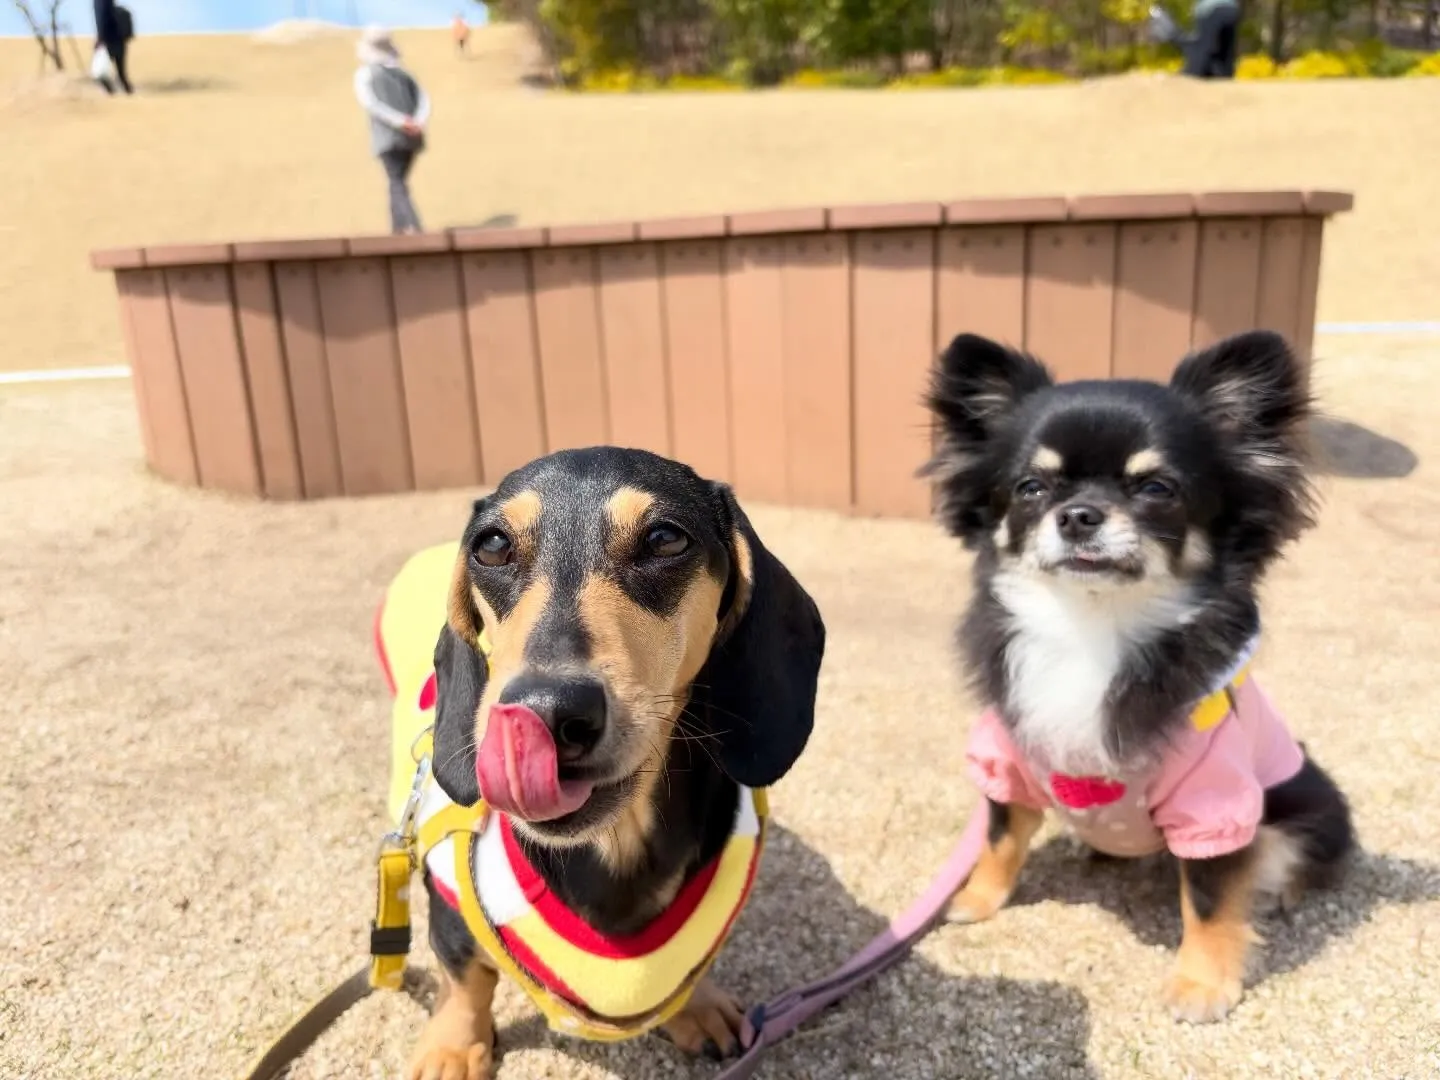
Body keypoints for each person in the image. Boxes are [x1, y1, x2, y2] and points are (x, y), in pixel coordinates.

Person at [353, 26, 431, 235]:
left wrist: (400, 122)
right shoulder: (405, 74)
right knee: (397, 180)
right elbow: (424, 99)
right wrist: (417, 122)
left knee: (396, 181)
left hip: (387, 137)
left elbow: (371, 104)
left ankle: (413, 226)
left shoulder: (365, 74)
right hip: (412, 137)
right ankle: (397, 229)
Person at [1149, 0, 1241, 79]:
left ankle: (1170, 31)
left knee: (1202, 54)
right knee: (1222, 62)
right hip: (1231, 9)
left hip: (1210, 10)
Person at [93, 0, 134, 94]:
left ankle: (113, 91)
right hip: (117, 38)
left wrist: (100, 38)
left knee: (100, 71)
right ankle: (126, 91)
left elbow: (102, 18)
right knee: (120, 71)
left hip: (109, 39)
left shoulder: (100, 2)